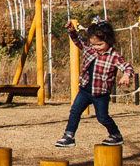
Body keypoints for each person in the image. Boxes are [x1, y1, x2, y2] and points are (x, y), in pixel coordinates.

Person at [56, 18, 135, 148]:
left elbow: (128, 67)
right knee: (75, 111)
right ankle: (68, 136)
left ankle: (115, 135)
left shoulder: (114, 56)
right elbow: (78, 41)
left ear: (108, 41)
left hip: (101, 93)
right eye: (93, 44)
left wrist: (126, 75)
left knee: (102, 117)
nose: (96, 48)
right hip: (85, 90)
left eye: (99, 45)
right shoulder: (90, 49)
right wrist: (72, 31)